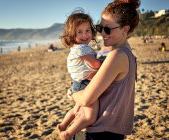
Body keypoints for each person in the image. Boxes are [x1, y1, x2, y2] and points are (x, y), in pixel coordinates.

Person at [68, 0, 139, 139]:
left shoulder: (117, 56)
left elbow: (86, 99)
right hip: (111, 131)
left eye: (107, 29)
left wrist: (71, 93)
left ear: (125, 28)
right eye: (100, 28)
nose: (102, 33)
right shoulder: (128, 54)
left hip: (101, 131)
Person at [57, 10, 102, 140]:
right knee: (89, 117)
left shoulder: (77, 48)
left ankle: (63, 124)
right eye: (79, 32)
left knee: (77, 111)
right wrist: (105, 61)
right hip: (84, 84)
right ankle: (68, 133)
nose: (85, 35)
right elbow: (96, 65)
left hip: (79, 83)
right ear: (72, 35)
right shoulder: (82, 48)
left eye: (87, 30)